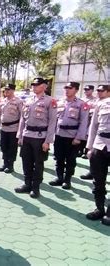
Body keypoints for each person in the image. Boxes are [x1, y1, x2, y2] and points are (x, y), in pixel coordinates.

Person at [15, 78, 57, 198]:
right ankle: (27, 184)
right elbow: (23, 119)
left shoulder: (50, 101)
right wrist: (20, 135)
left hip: (40, 137)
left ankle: (35, 187)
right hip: (27, 135)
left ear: (44, 86)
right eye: (33, 84)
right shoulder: (28, 100)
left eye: (37, 85)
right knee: (26, 161)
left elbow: (52, 122)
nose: (34, 87)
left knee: (38, 163)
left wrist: (48, 141)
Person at [49, 82, 89, 189]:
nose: (67, 90)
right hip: (59, 134)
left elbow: (84, 122)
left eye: (70, 88)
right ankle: (59, 178)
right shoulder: (60, 102)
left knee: (70, 159)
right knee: (59, 158)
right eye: (66, 88)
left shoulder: (81, 104)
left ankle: (67, 180)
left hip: (72, 137)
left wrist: (78, 138)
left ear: (76, 90)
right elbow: (54, 119)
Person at [85, 84, 110, 226]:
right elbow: (93, 126)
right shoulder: (101, 104)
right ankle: (99, 208)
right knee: (98, 181)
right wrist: (89, 148)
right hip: (100, 146)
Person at [0, 84, 23, 173]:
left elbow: (22, 117)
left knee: (12, 147)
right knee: (3, 146)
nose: (6, 91)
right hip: (3, 128)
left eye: (8, 90)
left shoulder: (18, 101)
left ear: (13, 90)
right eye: (5, 90)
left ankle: (10, 165)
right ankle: (5, 163)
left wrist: (20, 131)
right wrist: (0, 126)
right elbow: (0, 114)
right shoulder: (2, 101)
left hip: (13, 128)